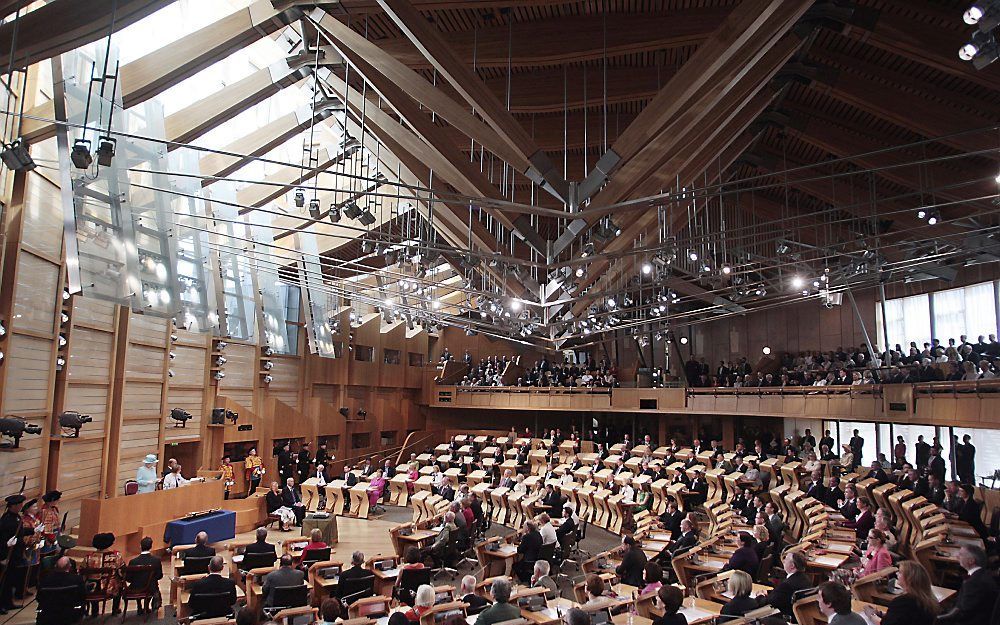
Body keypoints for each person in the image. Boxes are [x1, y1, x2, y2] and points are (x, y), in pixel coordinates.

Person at [862, 561, 938, 625]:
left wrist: (871, 615)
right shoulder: (928, 598)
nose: (897, 574)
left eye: (900, 572)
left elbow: (885, 623)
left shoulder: (902, 602)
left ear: (909, 578)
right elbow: (901, 617)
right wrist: (880, 613)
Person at [937, 544, 996, 625]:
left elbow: (963, 613)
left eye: (961, 554)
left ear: (971, 561)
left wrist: (937, 617)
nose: (957, 556)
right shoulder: (982, 575)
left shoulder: (974, 583)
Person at [83, 532, 126, 615]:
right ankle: (115, 609)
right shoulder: (116, 556)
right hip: (110, 589)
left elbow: (83, 572)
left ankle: (94, 611)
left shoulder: (88, 557)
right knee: (119, 583)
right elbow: (121, 571)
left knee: (91, 582)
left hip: (92, 589)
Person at [36, 555, 85, 625]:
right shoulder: (77, 579)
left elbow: (39, 598)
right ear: (69, 566)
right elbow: (82, 597)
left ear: (55, 566)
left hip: (48, 616)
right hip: (70, 616)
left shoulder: (45, 580)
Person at [758, 552, 811, 616]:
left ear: (792, 566)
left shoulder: (787, 585)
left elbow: (769, 603)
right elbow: (781, 594)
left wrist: (760, 596)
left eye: (786, 559)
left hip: (784, 615)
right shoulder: (805, 578)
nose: (784, 561)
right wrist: (767, 592)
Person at [0, 494, 26, 614]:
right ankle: (2, 605)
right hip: (7, 555)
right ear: (13, 506)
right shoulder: (5, 520)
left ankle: (8, 602)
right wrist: (6, 544)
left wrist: (33, 530)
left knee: (10, 580)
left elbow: (21, 532)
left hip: (15, 555)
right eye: (19, 505)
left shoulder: (16, 517)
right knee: (4, 582)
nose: (21, 506)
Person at [126, 537, 163, 615]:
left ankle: (139, 606)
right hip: (151, 588)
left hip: (135, 587)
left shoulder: (133, 562)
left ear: (140, 546)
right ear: (151, 546)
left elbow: (128, 578)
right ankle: (146, 606)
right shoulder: (156, 560)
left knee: (138, 584)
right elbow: (159, 576)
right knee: (153, 585)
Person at [38, 490, 62, 556]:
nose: (58, 501)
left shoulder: (54, 509)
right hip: (48, 539)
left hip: (55, 535)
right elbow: (47, 529)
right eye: (57, 500)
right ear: (52, 501)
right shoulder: (46, 511)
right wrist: (53, 540)